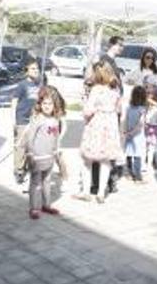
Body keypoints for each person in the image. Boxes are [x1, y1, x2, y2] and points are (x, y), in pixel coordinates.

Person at [76, 63, 123, 203]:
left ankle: (86, 192)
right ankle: (101, 193)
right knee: (106, 160)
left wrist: (84, 106)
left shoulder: (96, 89)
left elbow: (88, 111)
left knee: (87, 159)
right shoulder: (116, 89)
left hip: (96, 126)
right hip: (111, 125)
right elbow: (119, 109)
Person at [20, 86, 65, 219]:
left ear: (54, 104)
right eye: (44, 103)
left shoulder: (56, 120)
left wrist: (57, 151)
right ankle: (34, 208)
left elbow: (56, 137)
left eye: (50, 103)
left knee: (47, 181)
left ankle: (46, 205)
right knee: (35, 182)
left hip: (49, 156)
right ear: (40, 104)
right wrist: (30, 154)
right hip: (37, 157)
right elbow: (30, 138)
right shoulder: (37, 119)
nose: (47, 106)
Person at [13, 59, 44, 183]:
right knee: (21, 145)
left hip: (34, 119)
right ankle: (18, 170)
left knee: (32, 145)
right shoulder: (22, 85)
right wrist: (13, 119)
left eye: (37, 68)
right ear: (26, 71)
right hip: (22, 118)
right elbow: (14, 101)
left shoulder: (40, 85)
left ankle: (28, 167)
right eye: (32, 69)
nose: (35, 71)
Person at [122, 86, 148, 182]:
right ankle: (137, 177)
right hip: (138, 135)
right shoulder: (142, 109)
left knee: (129, 153)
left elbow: (125, 120)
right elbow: (140, 124)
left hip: (129, 133)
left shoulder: (129, 107)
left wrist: (126, 131)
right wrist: (133, 132)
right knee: (137, 155)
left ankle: (129, 172)